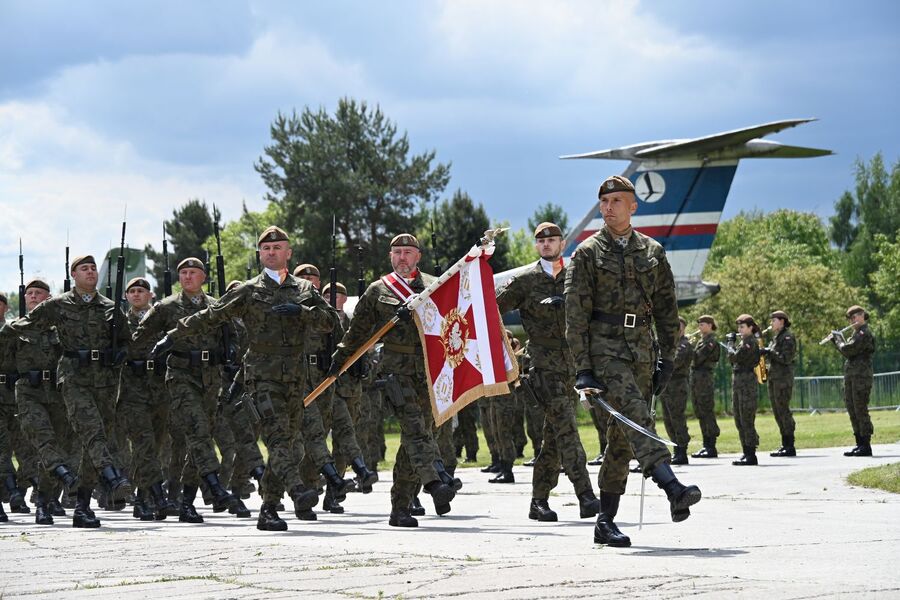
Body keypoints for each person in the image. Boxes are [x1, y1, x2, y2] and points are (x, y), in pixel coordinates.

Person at [148, 228, 333, 531]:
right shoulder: (248, 290)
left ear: (288, 253)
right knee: (276, 436)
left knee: (286, 443)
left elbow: (329, 322)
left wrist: (302, 312)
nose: (271, 252)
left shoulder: (304, 289)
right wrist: (172, 336)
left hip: (295, 377)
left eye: (277, 247)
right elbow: (211, 315)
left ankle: (269, 509)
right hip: (261, 375)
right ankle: (297, 489)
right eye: (266, 248)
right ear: (260, 254)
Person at [565, 175, 701, 547]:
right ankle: (672, 486)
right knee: (637, 417)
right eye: (603, 202)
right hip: (604, 351)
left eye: (616, 201)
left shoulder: (653, 252)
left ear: (632, 206)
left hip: (642, 350)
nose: (608, 208)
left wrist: (668, 358)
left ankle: (604, 521)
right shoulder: (587, 253)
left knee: (621, 439)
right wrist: (583, 368)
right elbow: (575, 315)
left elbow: (667, 310)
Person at [329, 233, 458, 528]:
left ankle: (400, 507)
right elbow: (358, 331)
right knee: (415, 428)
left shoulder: (436, 286)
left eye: (408, 252)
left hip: (429, 371)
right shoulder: (378, 290)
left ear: (418, 256)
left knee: (419, 435)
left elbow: (451, 323)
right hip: (395, 372)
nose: (402, 257)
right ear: (390, 256)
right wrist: (340, 357)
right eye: (397, 252)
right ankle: (434, 483)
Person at [7, 255, 132, 527]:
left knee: (87, 443)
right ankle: (111, 477)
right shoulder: (58, 304)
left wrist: (120, 352)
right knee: (91, 432)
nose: (90, 272)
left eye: (93, 268)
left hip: (105, 382)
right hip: (73, 378)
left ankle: (82, 506)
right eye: (84, 268)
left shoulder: (110, 307)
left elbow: (126, 340)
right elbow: (24, 324)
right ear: (73, 275)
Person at [497, 221, 600, 522]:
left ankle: (538, 501)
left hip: (573, 366)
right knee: (567, 427)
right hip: (543, 367)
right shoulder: (525, 281)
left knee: (554, 436)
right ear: (536, 246)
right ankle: (586, 495)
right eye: (541, 241)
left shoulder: (576, 277)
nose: (546, 244)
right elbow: (491, 310)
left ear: (562, 244)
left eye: (552, 240)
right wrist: (504, 347)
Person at [134, 257, 245, 524]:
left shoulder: (216, 306)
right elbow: (140, 336)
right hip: (180, 375)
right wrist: (151, 359)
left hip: (210, 378)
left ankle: (186, 502)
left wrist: (231, 350)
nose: (187, 277)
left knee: (199, 438)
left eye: (193, 272)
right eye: (183, 273)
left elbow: (233, 336)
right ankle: (215, 487)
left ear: (203, 277)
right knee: (198, 431)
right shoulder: (166, 307)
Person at [4, 280, 80, 525]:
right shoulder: (15, 329)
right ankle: (62, 477)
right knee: (44, 441)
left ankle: (45, 501)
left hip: (56, 393)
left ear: (48, 299)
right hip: (28, 391)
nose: (33, 296)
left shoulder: (61, 329)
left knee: (55, 446)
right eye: (30, 293)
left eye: (38, 293)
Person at [831, 305, 876, 457]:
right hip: (852, 376)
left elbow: (849, 350)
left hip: (861, 377)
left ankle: (866, 445)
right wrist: (838, 341)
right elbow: (848, 351)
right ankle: (859, 443)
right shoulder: (855, 333)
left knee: (860, 408)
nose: (852, 320)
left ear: (862, 315)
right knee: (852, 408)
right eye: (850, 318)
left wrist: (837, 340)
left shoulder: (863, 333)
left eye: (854, 317)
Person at [763, 310, 797, 457]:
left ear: (782, 321)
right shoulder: (776, 338)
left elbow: (786, 358)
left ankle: (790, 445)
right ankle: (784, 443)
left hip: (783, 379)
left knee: (783, 410)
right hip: (774, 378)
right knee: (777, 411)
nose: (771, 323)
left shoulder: (787, 337)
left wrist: (769, 352)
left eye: (774, 320)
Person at [730, 314, 761, 466]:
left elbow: (734, 358)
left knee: (746, 418)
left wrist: (730, 344)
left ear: (750, 327)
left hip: (746, 383)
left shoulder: (749, 342)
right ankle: (746, 451)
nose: (740, 330)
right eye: (739, 327)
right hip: (739, 382)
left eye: (742, 327)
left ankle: (751, 453)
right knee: (739, 418)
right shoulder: (744, 342)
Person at [660, 316, 692, 465]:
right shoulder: (668, 344)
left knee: (677, 417)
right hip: (667, 385)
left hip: (678, 384)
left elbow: (675, 362)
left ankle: (682, 450)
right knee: (668, 419)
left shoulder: (684, 345)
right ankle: (676, 449)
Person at [690, 315, 721, 458]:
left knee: (706, 410)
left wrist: (688, 348)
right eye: (699, 324)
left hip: (704, 379)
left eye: (702, 324)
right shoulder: (701, 341)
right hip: (697, 379)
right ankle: (706, 444)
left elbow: (697, 359)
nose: (699, 327)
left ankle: (711, 446)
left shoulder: (711, 342)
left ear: (710, 325)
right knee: (700, 411)